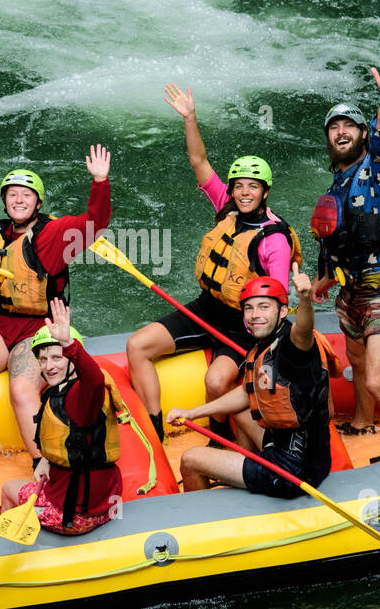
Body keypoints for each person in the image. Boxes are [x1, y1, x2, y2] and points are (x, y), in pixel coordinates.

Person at [126, 83, 301, 445]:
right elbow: (199, 162)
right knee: (137, 346)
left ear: (265, 191)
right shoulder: (227, 207)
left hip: (242, 324)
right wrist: (190, 117)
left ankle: (219, 439)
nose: (244, 193)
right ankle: (155, 430)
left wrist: (261, 342)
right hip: (207, 308)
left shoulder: (275, 239)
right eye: (239, 186)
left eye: (253, 187)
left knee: (215, 380)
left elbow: (277, 300)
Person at [0, 146, 111, 461]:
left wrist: (99, 182)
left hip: (39, 329)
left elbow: (96, 222)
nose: (18, 200)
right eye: (12, 194)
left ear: (38, 203)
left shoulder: (54, 234)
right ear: (4, 200)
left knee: (20, 389)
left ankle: (41, 462)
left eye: (26, 195)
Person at [315, 61, 380, 451]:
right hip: (350, 289)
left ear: (362, 134)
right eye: (334, 127)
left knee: (377, 379)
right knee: (357, 363)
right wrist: (321, 280)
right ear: (329, 139)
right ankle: (362, 421)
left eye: (349, 125)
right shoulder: (335, 185)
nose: (341, 131)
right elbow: (335, 240)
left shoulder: (378, 166)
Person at [170, 267, 333, 496]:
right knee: (242, 411)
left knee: (190, 460)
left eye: (264, 307)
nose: (254, 314)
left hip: (290, 471)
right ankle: (245, 474)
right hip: (302, 452)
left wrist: (305, 299)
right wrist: (192, 413)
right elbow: (247, 393)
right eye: (249, 308)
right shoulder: (268, 342)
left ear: (284, 311)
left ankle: (202, 521)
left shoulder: (292, 348)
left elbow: (304, 332)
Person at [0, 298, 124, 535]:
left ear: (72, 358)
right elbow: (74, 442)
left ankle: (10, 556)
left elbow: (95, 380)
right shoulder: (63, 390)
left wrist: (68, 342)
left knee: (8, 488)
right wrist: (47, 460)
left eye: (57, 357)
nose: (48, 366)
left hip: (73, 517)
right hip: (106, 504)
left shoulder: (82, 394)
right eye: (43, 359)